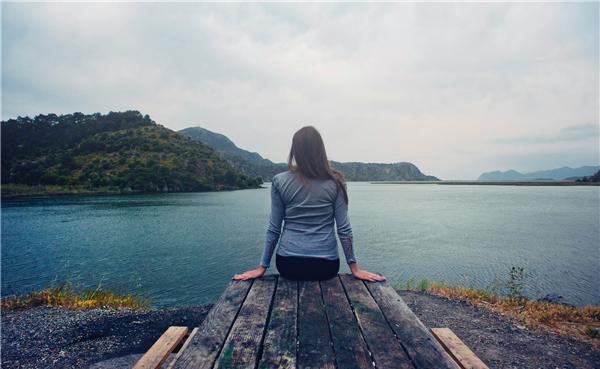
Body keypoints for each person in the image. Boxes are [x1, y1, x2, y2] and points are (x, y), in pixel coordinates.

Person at [233, 126, 386, 282]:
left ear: (295, 151)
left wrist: (262, 267)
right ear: (320, 150)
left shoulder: (279, 181)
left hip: (288, 265)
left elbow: (274, 228)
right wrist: (355, 268)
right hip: (326, 267)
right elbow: (344, 229)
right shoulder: (336, 182)